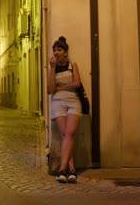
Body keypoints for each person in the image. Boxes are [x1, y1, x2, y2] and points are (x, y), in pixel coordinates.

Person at [47, 36, 81, 183]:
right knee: (65, 136)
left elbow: (77, 83)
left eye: (59, 49)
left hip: (73, 101)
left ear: (65, 52)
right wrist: (53, 68)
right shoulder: (51, 68)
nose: (56, 52)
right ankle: (71, 170)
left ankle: (62, 169)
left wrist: (60, 88)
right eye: (54, 50)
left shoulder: (72, 65)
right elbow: (50, 89)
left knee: (70, 133)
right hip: (58, 103)